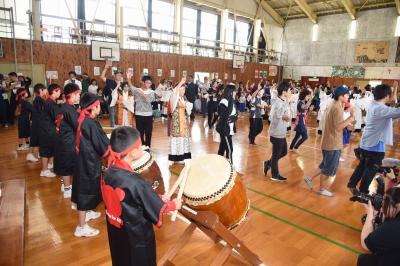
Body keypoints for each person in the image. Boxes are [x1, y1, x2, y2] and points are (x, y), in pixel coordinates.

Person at [102, 126, 182, 266]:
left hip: (116, 229)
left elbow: (131, 199)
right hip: (136, 234)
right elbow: (155, 207)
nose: (142, 147)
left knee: (121, 257)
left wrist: (156, 198)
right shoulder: (135, 181)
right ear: (132, 153)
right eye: (140, 146)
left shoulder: (108, 172)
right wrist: (174, 204)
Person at [348, 82, 400, 195]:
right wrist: (394, 91)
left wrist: (395, 88)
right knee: (370, 170)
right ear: (386, 95)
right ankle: (363, 191)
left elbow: (393, 103)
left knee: (361, 166)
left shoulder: (374, 104)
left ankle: (352, 184)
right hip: (375, 147)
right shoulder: (381, 109)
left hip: (366, 143)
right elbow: (397, 111)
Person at [304, 86, 355, 197]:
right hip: (332, 144)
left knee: (324, 165)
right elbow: (338, 127)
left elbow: (336, 124)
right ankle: (321, 189)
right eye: (346, 94)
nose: (348, 96)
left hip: (328, 141)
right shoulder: (336, 107)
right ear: (341, 96)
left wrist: (347, 124)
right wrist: (350, 119)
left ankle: (309, 178)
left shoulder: (335, 104)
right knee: (328, 169)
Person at [72, 92, 109, 237]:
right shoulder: (90, 123)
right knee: (84, 192)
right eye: (98, 105)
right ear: (94, 107)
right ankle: (81, 227)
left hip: (84, 159)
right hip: (88, 161)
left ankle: (87, 212)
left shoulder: (84, 119)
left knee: (87, 189)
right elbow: (101, 145)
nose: (100, 107)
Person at [358, 187, 400, 266]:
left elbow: (366, 243)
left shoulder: (394, 227)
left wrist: (370, 214)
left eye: (385, 202)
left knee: (363, 260)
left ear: (394, 206)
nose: (382, 206)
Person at [53, 83, 81, 198]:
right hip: (67, 141)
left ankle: (64, 185)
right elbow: (78, 126)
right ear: (72, 95)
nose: (79, 96)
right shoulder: (69, 109)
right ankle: (67, 189)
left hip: (63, 139)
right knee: (67, 165)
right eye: (78, 94)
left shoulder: (65, 107)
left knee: (65, 163)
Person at [263, 82, 291, 182]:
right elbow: (276, 116)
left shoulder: (284, 101)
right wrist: (285, 117)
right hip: (276, 132)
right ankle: (275, 175)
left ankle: (268, 163)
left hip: (281, 132)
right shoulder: (277, 102)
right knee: (276, 154)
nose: (290, 92)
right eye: (288, 90)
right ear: (284, 92)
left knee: (284, 151)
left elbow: (287, 115)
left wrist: (287, 117)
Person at [168, 77, 192, 165]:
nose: (183, 91)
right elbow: (175, 91)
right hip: (176, 124)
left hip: (183, 123)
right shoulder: (174, 98)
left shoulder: (183, 99)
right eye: (182, 89)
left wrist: (188, 107)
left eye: (184, 90)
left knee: (182, 140)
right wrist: (181, 82)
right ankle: (176, 157)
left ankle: (181, 156)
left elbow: (187, 112)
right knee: (176, 140)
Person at [127, 74, 156, 147]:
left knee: (148, 132)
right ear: (143, 82)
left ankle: (148, 146)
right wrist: (128, 79)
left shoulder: (151, 92)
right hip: (139, 114)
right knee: (140, 133)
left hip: (148, 115)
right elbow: (131, 86)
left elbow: (149, 100)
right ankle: (142, 147)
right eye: (147, 82)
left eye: (150, 83)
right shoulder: (137, 90)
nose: (148, 84)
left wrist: (143, 94)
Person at [39, 84, 61, 178]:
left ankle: (49, 164)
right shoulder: (51, 103)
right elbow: (57, 118)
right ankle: (44, 170)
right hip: (47, 129)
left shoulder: (50, 101)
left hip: (47, 128)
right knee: (46, 150)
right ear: (55, 91)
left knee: (51, 147)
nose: (60, 93)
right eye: (59, 91)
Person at [216, 84, 237, 164]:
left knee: (223, 147)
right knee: (230, 149)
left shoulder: (231, 101)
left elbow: (235, 114)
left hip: (229, 128)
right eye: (234, 91)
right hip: (224, 128)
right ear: (231, 92)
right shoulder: (223, 101)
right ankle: (231, 167)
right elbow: (227, 114)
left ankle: (218, 164)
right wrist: (232, 99)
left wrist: (234, 118)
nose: (235, 93)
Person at [100, 61, 124, 128]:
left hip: (120, 105)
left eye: (120, 75)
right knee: (113, 122)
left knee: (119, 121)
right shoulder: (110, 82)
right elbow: (102, 77)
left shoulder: (122, 84)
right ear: (114, 76)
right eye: (118, 75)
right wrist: (105, 68)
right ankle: (113, 135)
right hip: (111, 104)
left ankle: (118, 135)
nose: (119, 76)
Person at [27, 83, 46, 162]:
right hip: (38, 122)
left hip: (37, 121)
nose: (46, 91)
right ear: (40, 90)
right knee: (35, 138)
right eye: (44, 89)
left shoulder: (39, 98)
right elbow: (40, 111)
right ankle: (30, 154)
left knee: (38, 138)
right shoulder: (38, 99)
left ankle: (38, 153)